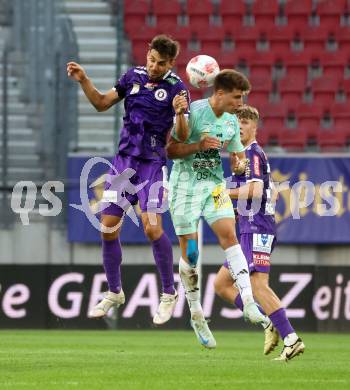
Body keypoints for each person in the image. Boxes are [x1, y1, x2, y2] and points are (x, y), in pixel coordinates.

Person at [67, 35, 190, 325]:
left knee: (151, 228)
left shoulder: (177, 88)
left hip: (152, 164)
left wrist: (180, 113)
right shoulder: (131, 76)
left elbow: (182, 136)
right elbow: (101, 103)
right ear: (147, 54)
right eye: (151, 59)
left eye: (161, 63)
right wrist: (84, 79)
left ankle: (169, 293)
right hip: (124, 163)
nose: (154, 66)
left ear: (171, 63)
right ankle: (114, 291)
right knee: (107, 229)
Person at [166, 70, 266, 349]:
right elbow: (170, 150)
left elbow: (239, 157)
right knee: (192, 253)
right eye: (236, 97)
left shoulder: (232, 122)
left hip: (214, 186)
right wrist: (198, 145)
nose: (239, 102)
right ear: (219, 93)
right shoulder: (194, 113)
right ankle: (196, 314)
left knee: (229, 236)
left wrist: (238, 165)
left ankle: (248, 301)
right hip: (184, 187)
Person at [214, 105, 305, 361]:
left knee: (256, 284)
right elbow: (259, 193)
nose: (239, 126)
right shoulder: (243, 159)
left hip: (257, 227)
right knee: (221, 284)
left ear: (255, 126)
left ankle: (290, 338)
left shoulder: (253, 153)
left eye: (244, 122)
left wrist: (220, 192)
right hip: (247, 227)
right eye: (237, 122)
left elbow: (254, 192)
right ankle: (268, 322)